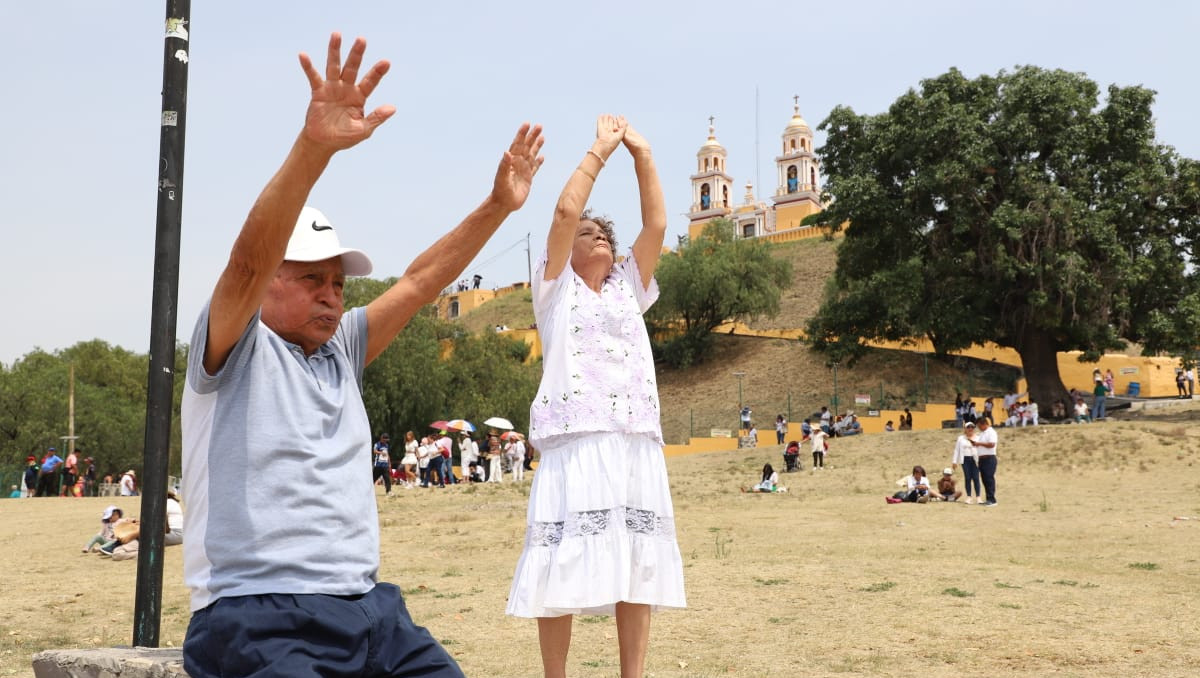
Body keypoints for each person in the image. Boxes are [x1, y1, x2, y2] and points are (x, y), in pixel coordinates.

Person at [179, 33, 544, 678]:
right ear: (268, 282)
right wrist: (314, 147)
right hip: (260, 616)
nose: (331, 296)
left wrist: (497, 207)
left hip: (371, 612)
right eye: (311, 279)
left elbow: (419, 281)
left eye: (338, 284)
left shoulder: (340, 349)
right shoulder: (233, 345)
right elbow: (244, 261)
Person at [507, 115, 685, 678]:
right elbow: (563, 213)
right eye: (590, 234)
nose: (599, 236)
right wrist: (600, 151)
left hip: (635, 440)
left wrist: (644, 154)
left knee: (638, 563)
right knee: (562, 562)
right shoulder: (554, 292)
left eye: (604, 232)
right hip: (575, 443)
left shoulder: (628, 288)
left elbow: (656, 222)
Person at [972, 417, 999, 506]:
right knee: (984, 479)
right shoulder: (982, 434)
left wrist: (979, 444)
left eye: (979, 426)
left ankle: (992, 499)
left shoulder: (991, 432)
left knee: (989, 478)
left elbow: (991, 444)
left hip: (989, 458)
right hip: (982, 459)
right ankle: (988, 498)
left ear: (983, 424)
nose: (979, 428)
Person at [951, 421, 980, 503]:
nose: (970, 429)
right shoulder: (961, 438)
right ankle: (969, 496)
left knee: (976, 478)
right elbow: (957, 450)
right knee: (967, 478)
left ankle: (978, 496)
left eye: (972, 427)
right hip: (965, 460)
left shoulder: (978, 438)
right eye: (968, 427)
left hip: (975, 459)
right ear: (965, 429)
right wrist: (954, 461)